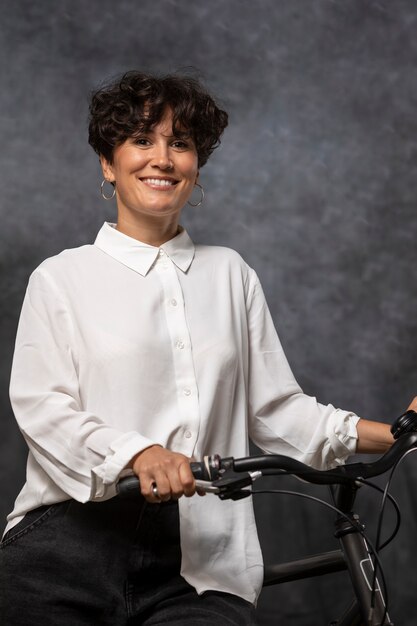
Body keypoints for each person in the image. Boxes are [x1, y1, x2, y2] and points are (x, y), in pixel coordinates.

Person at [0, 70, 413, 626]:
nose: (162, 159)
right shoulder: (61, 278)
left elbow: (277, 412)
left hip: (201, 569)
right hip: (66, 551)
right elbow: (42, 407)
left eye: (181, 143)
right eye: (142, 140)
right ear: (108, 163)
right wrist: (138, 455)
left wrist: (397, 433)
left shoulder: (232, 275)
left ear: (197, 166)